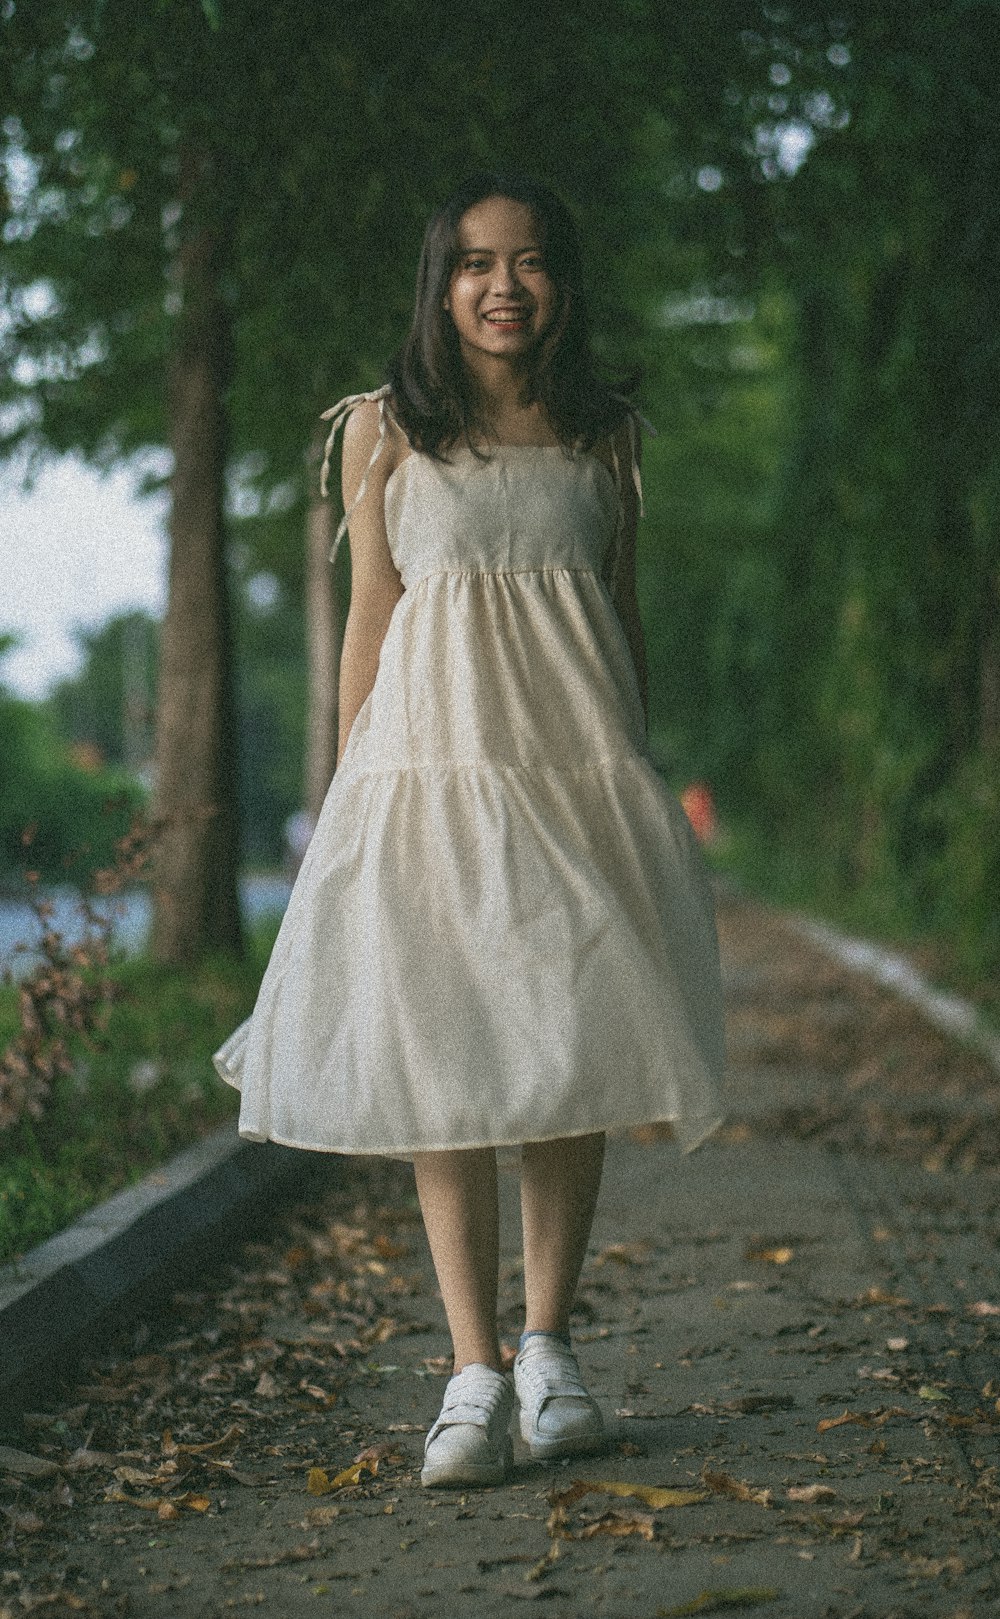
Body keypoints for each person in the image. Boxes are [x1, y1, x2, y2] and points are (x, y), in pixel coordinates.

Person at [214, 172, 725, 1489]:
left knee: (566, 1061)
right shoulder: (380, 431)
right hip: (428, 773)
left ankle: (553, 1354)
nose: (505, 284)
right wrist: (344, 798)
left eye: (531, 259)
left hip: (570, 775)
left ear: (563, 280)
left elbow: (622, 616)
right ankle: (473, 1370)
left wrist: (631, 772)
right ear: (440, 283)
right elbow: (372, 619)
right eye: (476, 262)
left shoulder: (607, 434)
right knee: (444, 1068)